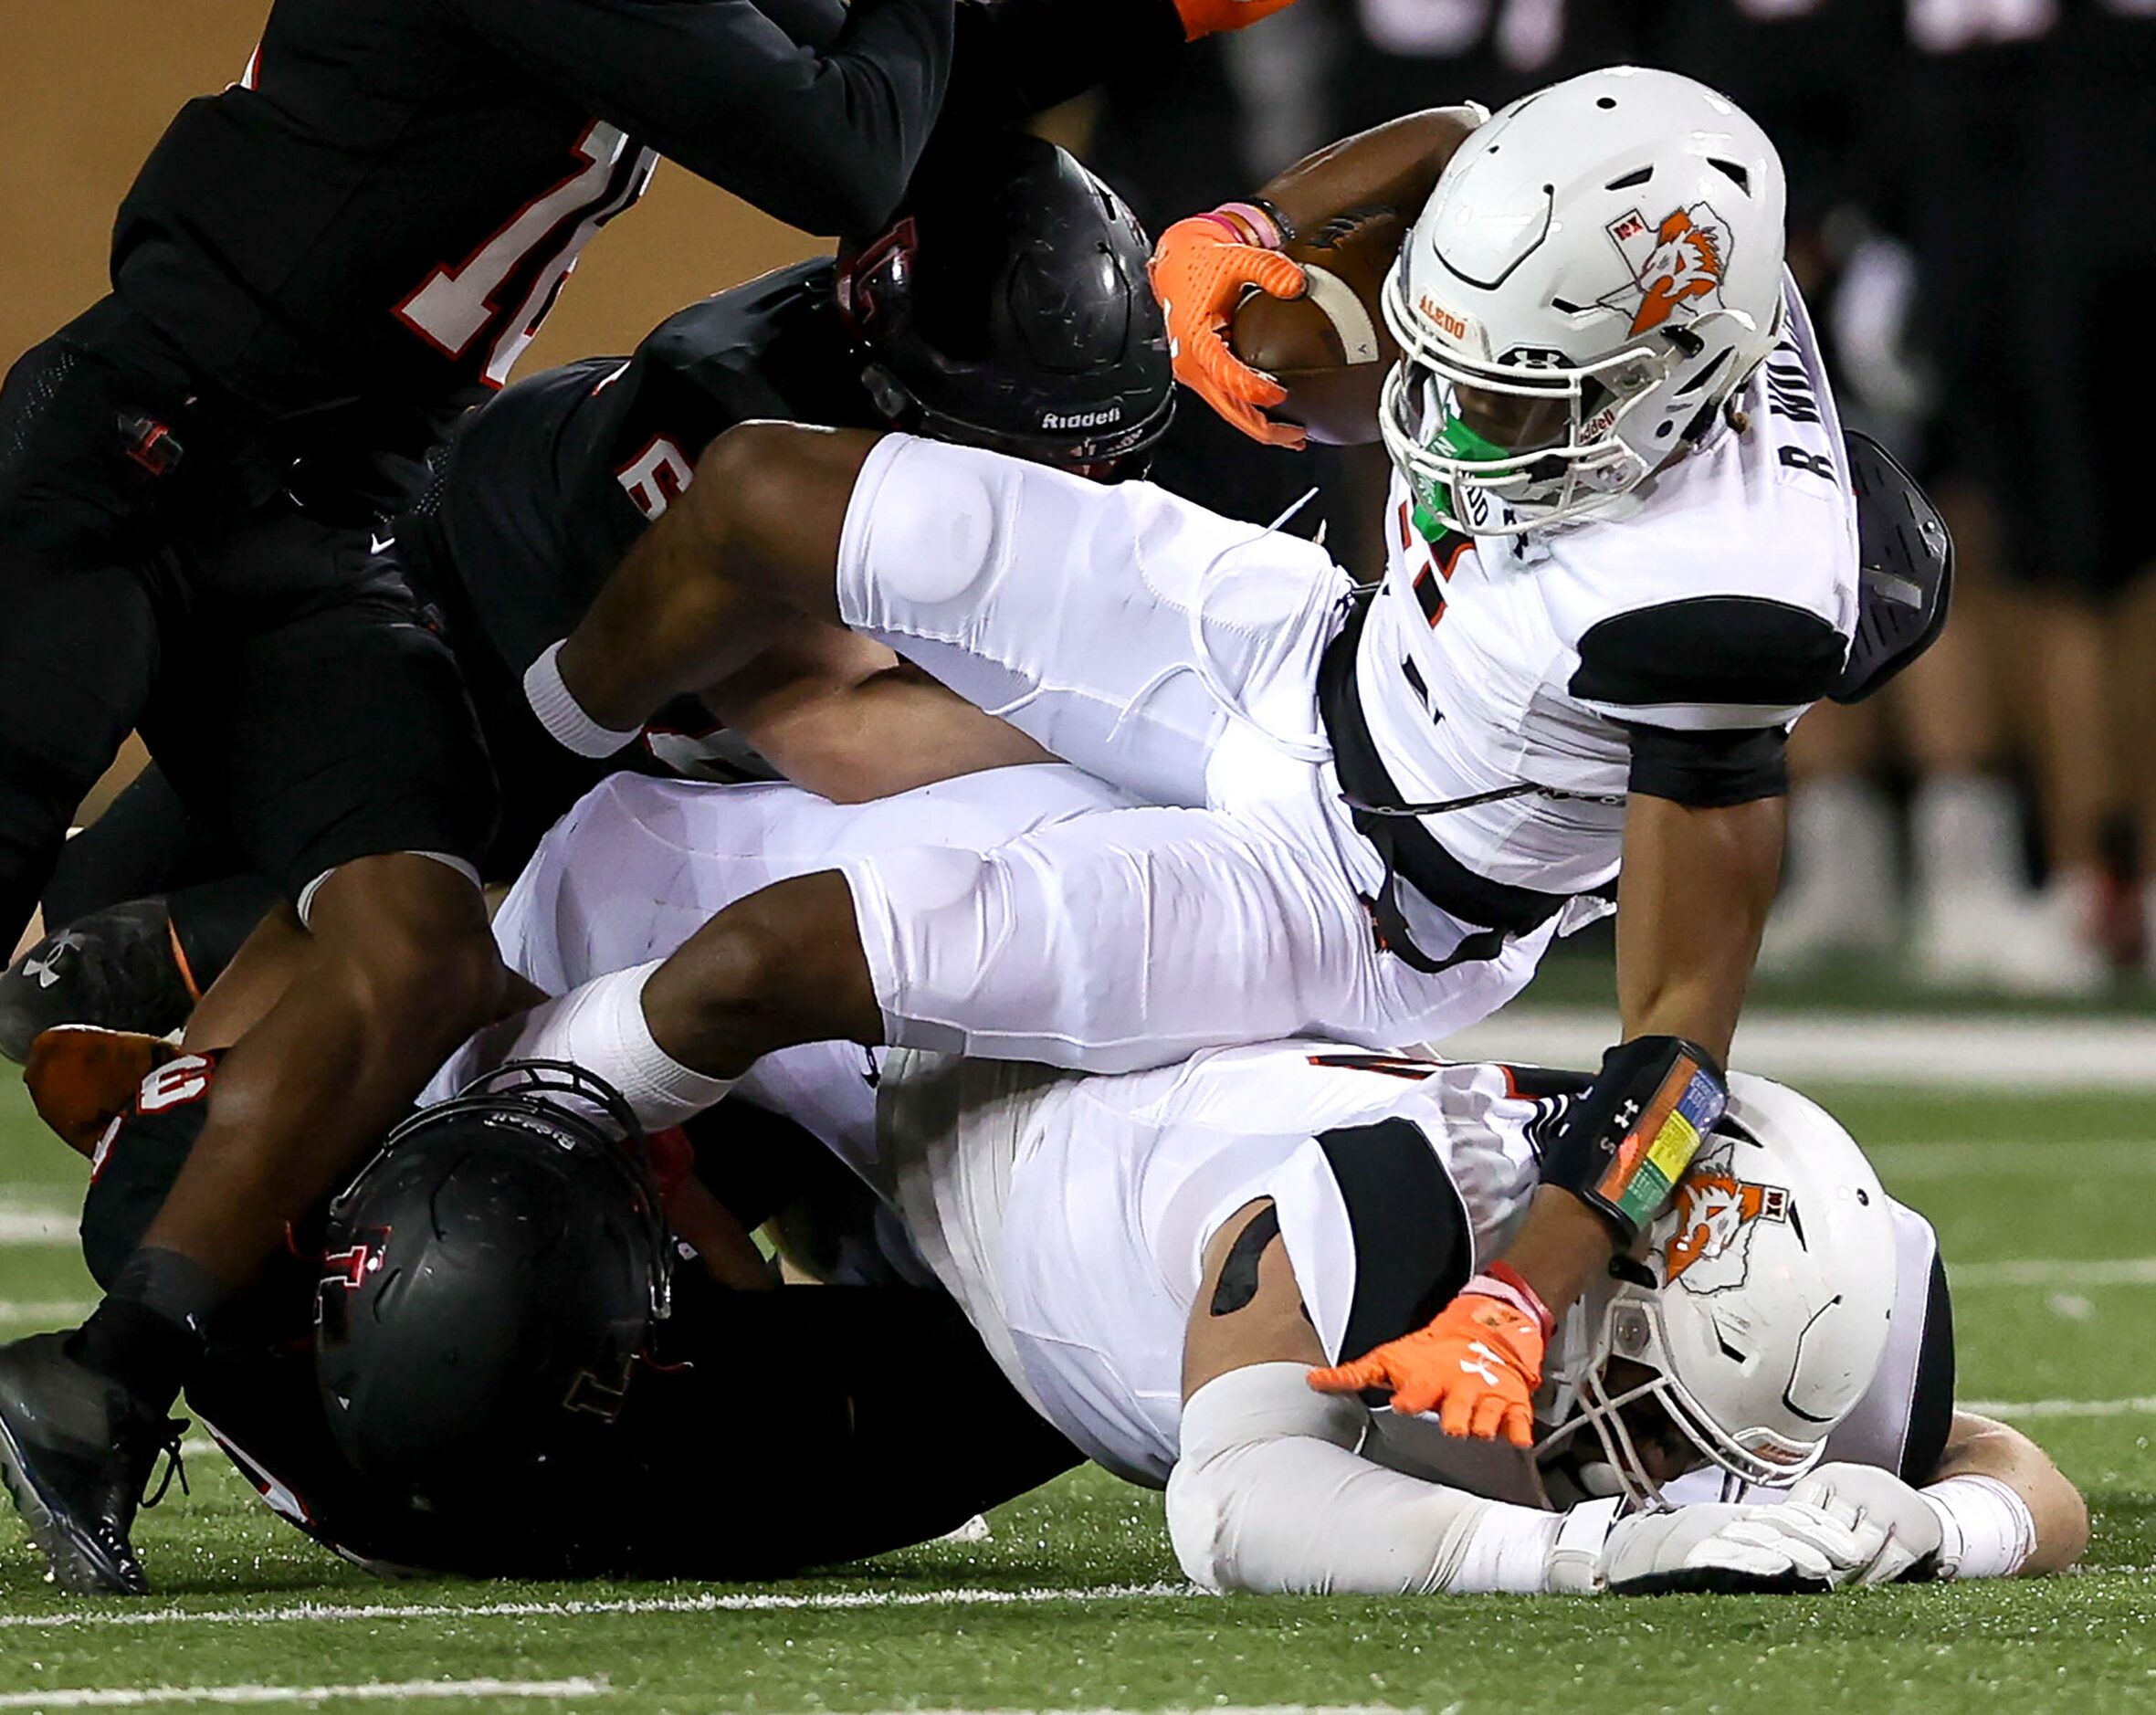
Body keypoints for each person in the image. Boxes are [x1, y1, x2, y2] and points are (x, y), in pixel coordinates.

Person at [0, 0, 1288, 1592]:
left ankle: (114, 1336)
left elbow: (955, 56)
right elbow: (839, 145)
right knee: (526, 892)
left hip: (330, 529)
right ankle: (171, 952)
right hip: (265, 523)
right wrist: (1222, 741)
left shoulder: (819, 345)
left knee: (404, 941)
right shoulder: (737, 416)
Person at [506, 68, 1942, 1450]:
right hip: (1309, 650)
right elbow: (1465, 135)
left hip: (1350, 891)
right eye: (1449, 365)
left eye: (1512, 401)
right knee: (762, 493)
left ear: (1668, 396)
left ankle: (511, 1142)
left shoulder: (1724, 613)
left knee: (769, 958)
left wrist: (1522, 1295)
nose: (1441, 423)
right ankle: (521, 747)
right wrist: (1241, 230)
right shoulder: (1668, 220)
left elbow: (1682, 1049)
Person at [436, 763, 2084, 1594]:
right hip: (808, 978)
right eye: (1650, 1421)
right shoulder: (1385, 1199)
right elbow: (1237, 1508)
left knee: (892, 1403)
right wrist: (1586, 1558)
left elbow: (2020, 1464)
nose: (1656, 1473)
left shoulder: (1806, 1265)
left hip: (1003, 1230)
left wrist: (1945, 1519)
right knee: (475, 1290)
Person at [0, 132, 1173, 1043]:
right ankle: (182, 965)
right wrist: (1141, 724)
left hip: (558, 594)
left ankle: (171, 987)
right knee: (438, 899)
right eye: (1031, 446)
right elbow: (835, 732)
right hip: (492, 615)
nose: (1071, 478)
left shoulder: (919, 348)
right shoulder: (742, 413)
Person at [22, 1046, 1078, 1580]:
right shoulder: (604, 1426)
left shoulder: (204, 1210)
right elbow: (742, 1324)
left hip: (497, 1322)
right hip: (587, 1455)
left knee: (752, 1059)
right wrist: (715, 1254)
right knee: (1067, 1364)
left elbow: (343, 966)